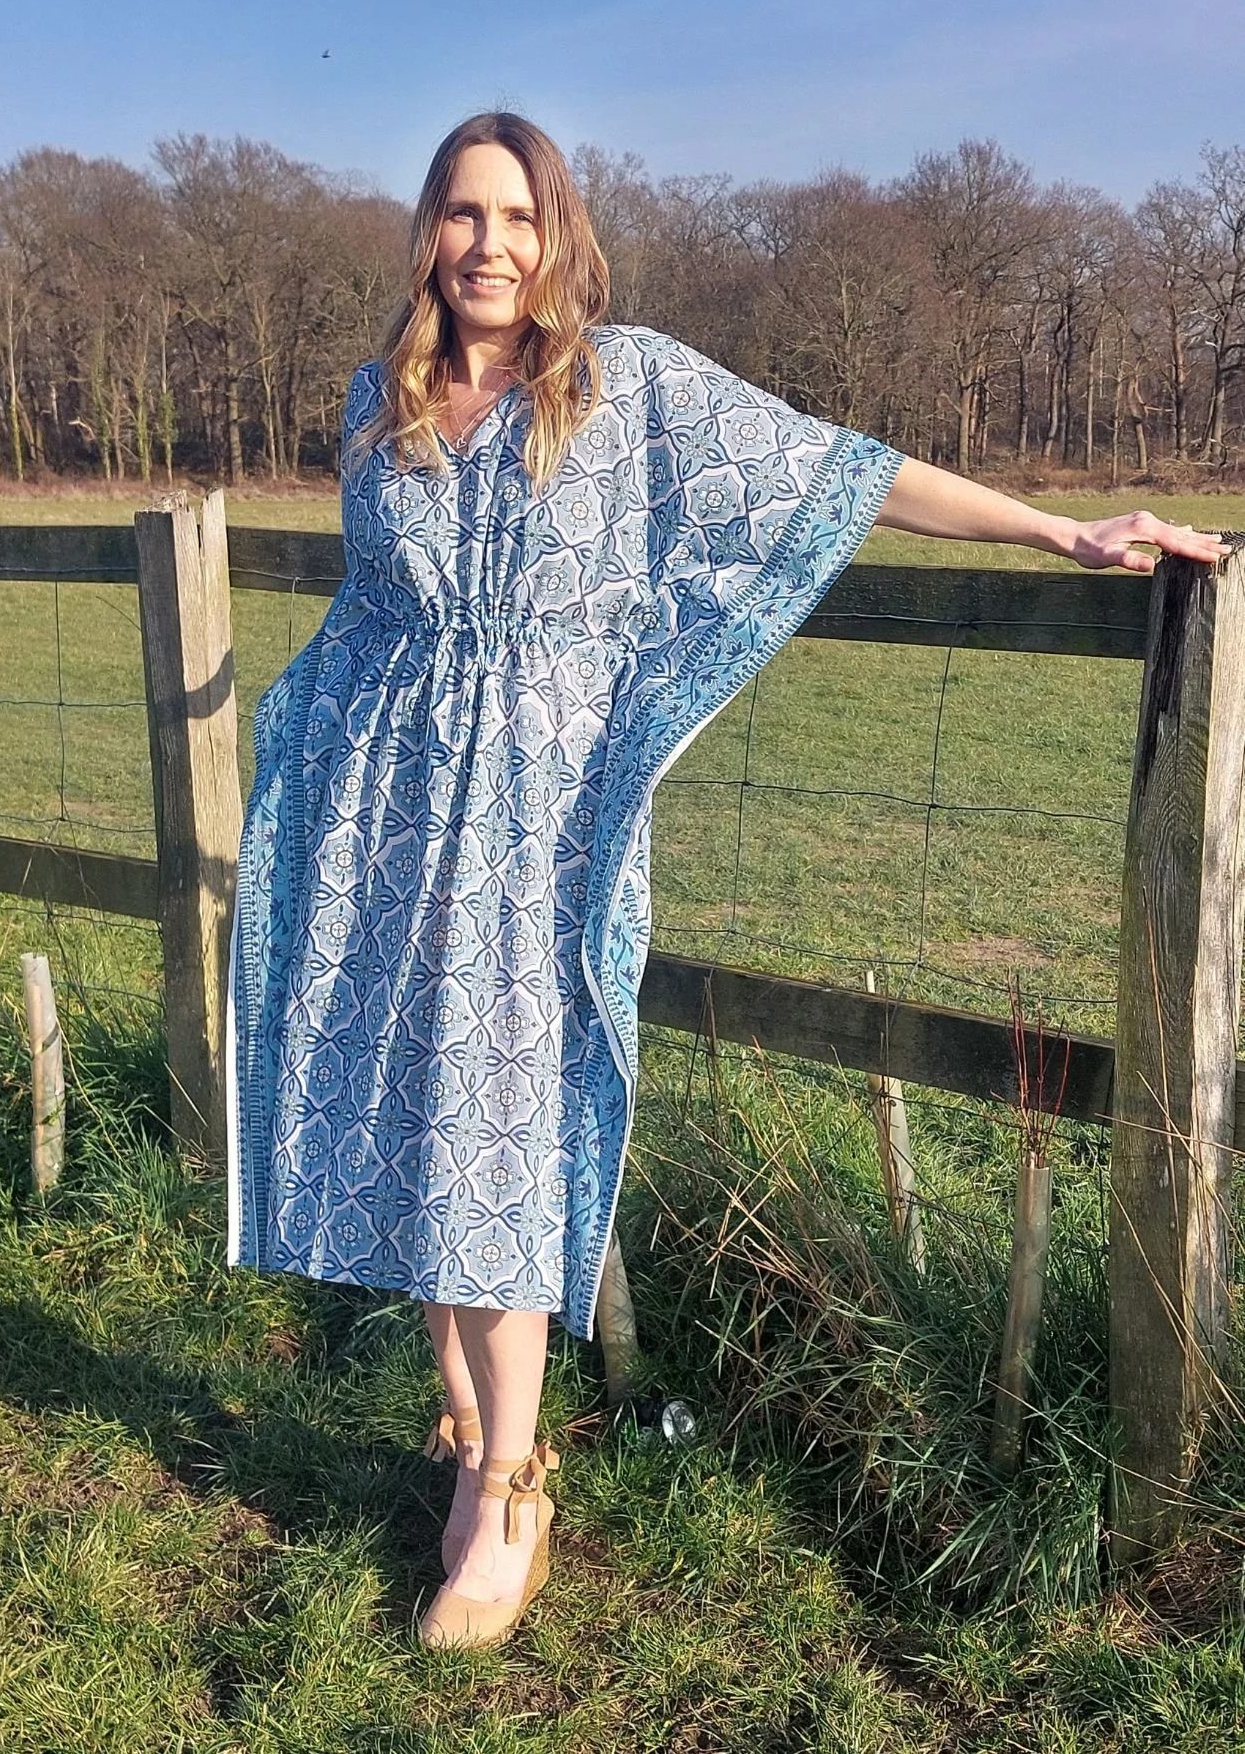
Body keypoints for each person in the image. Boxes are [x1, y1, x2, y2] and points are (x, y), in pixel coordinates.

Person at [225, 111, 1223, 1650]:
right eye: (463, 214)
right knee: (414, 1099)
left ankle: (507, 1488)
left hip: (542, 828)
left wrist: (1054, 529)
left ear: (557, 236)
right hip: (394, 814)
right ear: (426, 231)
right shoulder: (383, 398)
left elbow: (841, 473)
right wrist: (304, 747)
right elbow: (374, 615)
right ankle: (461, 1423)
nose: (489, 246)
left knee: (499, 1126)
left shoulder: (626, 388)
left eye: (518, 217)